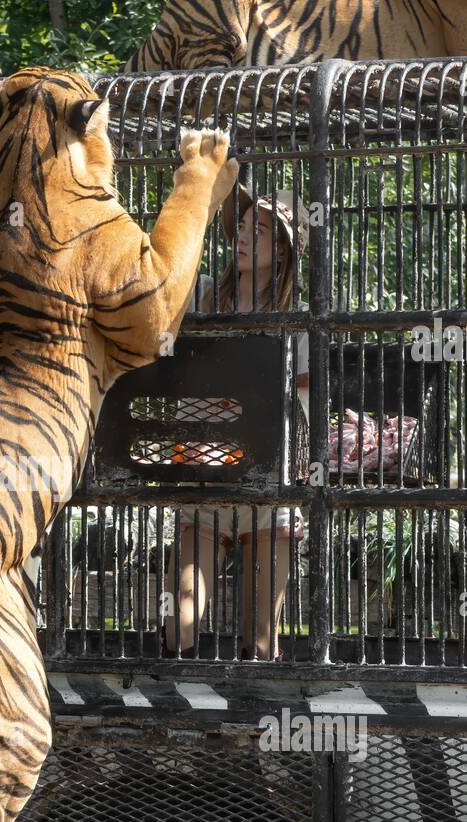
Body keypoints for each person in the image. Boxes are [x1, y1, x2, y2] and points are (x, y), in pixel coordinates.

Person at [164, 187, 310, 661]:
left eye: (262, 229)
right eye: (244, 225)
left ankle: (250, 729)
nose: (245, 234)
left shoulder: (296, 320)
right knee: (177, 629)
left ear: (284, 250)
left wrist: (301, 451)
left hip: (269, 490)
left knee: (262, 643)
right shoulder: (201, 293)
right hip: (203, 483)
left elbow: (305, 397)